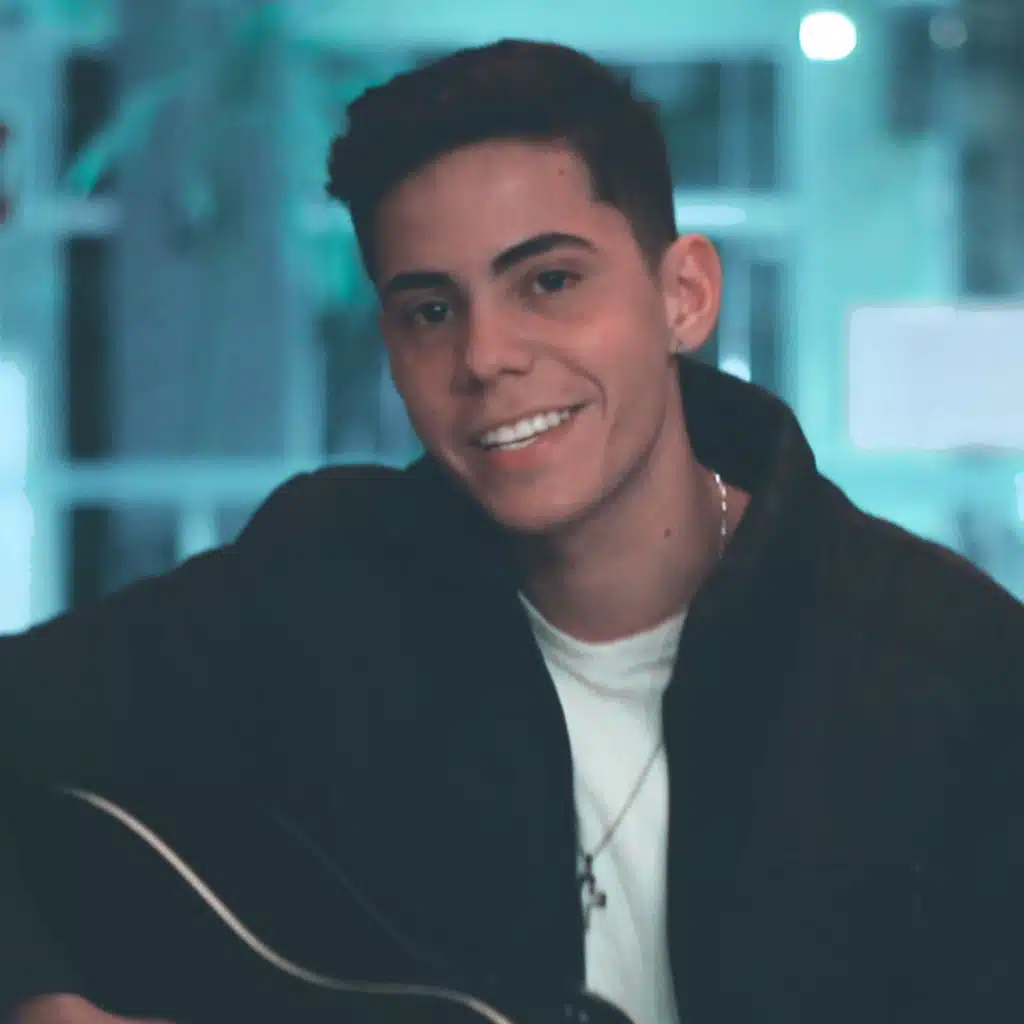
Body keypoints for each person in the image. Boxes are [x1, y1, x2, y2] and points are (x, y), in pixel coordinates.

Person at [3, 38, 1023, 1024]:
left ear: (684, 296)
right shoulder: (323, 582)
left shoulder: (950, 669)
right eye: (430, 310)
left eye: (549, 281)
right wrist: (36, 994)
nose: (486, 355)